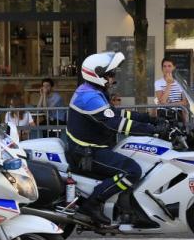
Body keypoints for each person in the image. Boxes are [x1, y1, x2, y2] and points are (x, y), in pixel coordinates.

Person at [66, 51, 165, 226]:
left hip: (92, 147)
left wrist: (150, 119)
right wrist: (153, 130)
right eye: (110, 74)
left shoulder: (93, 91)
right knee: (132, 171)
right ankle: (93, 203)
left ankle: (127, 205)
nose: (113, 78)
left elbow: (116, 113)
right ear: (97, 75)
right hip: (87, 152)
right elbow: (116, 123)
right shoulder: (89, 97)